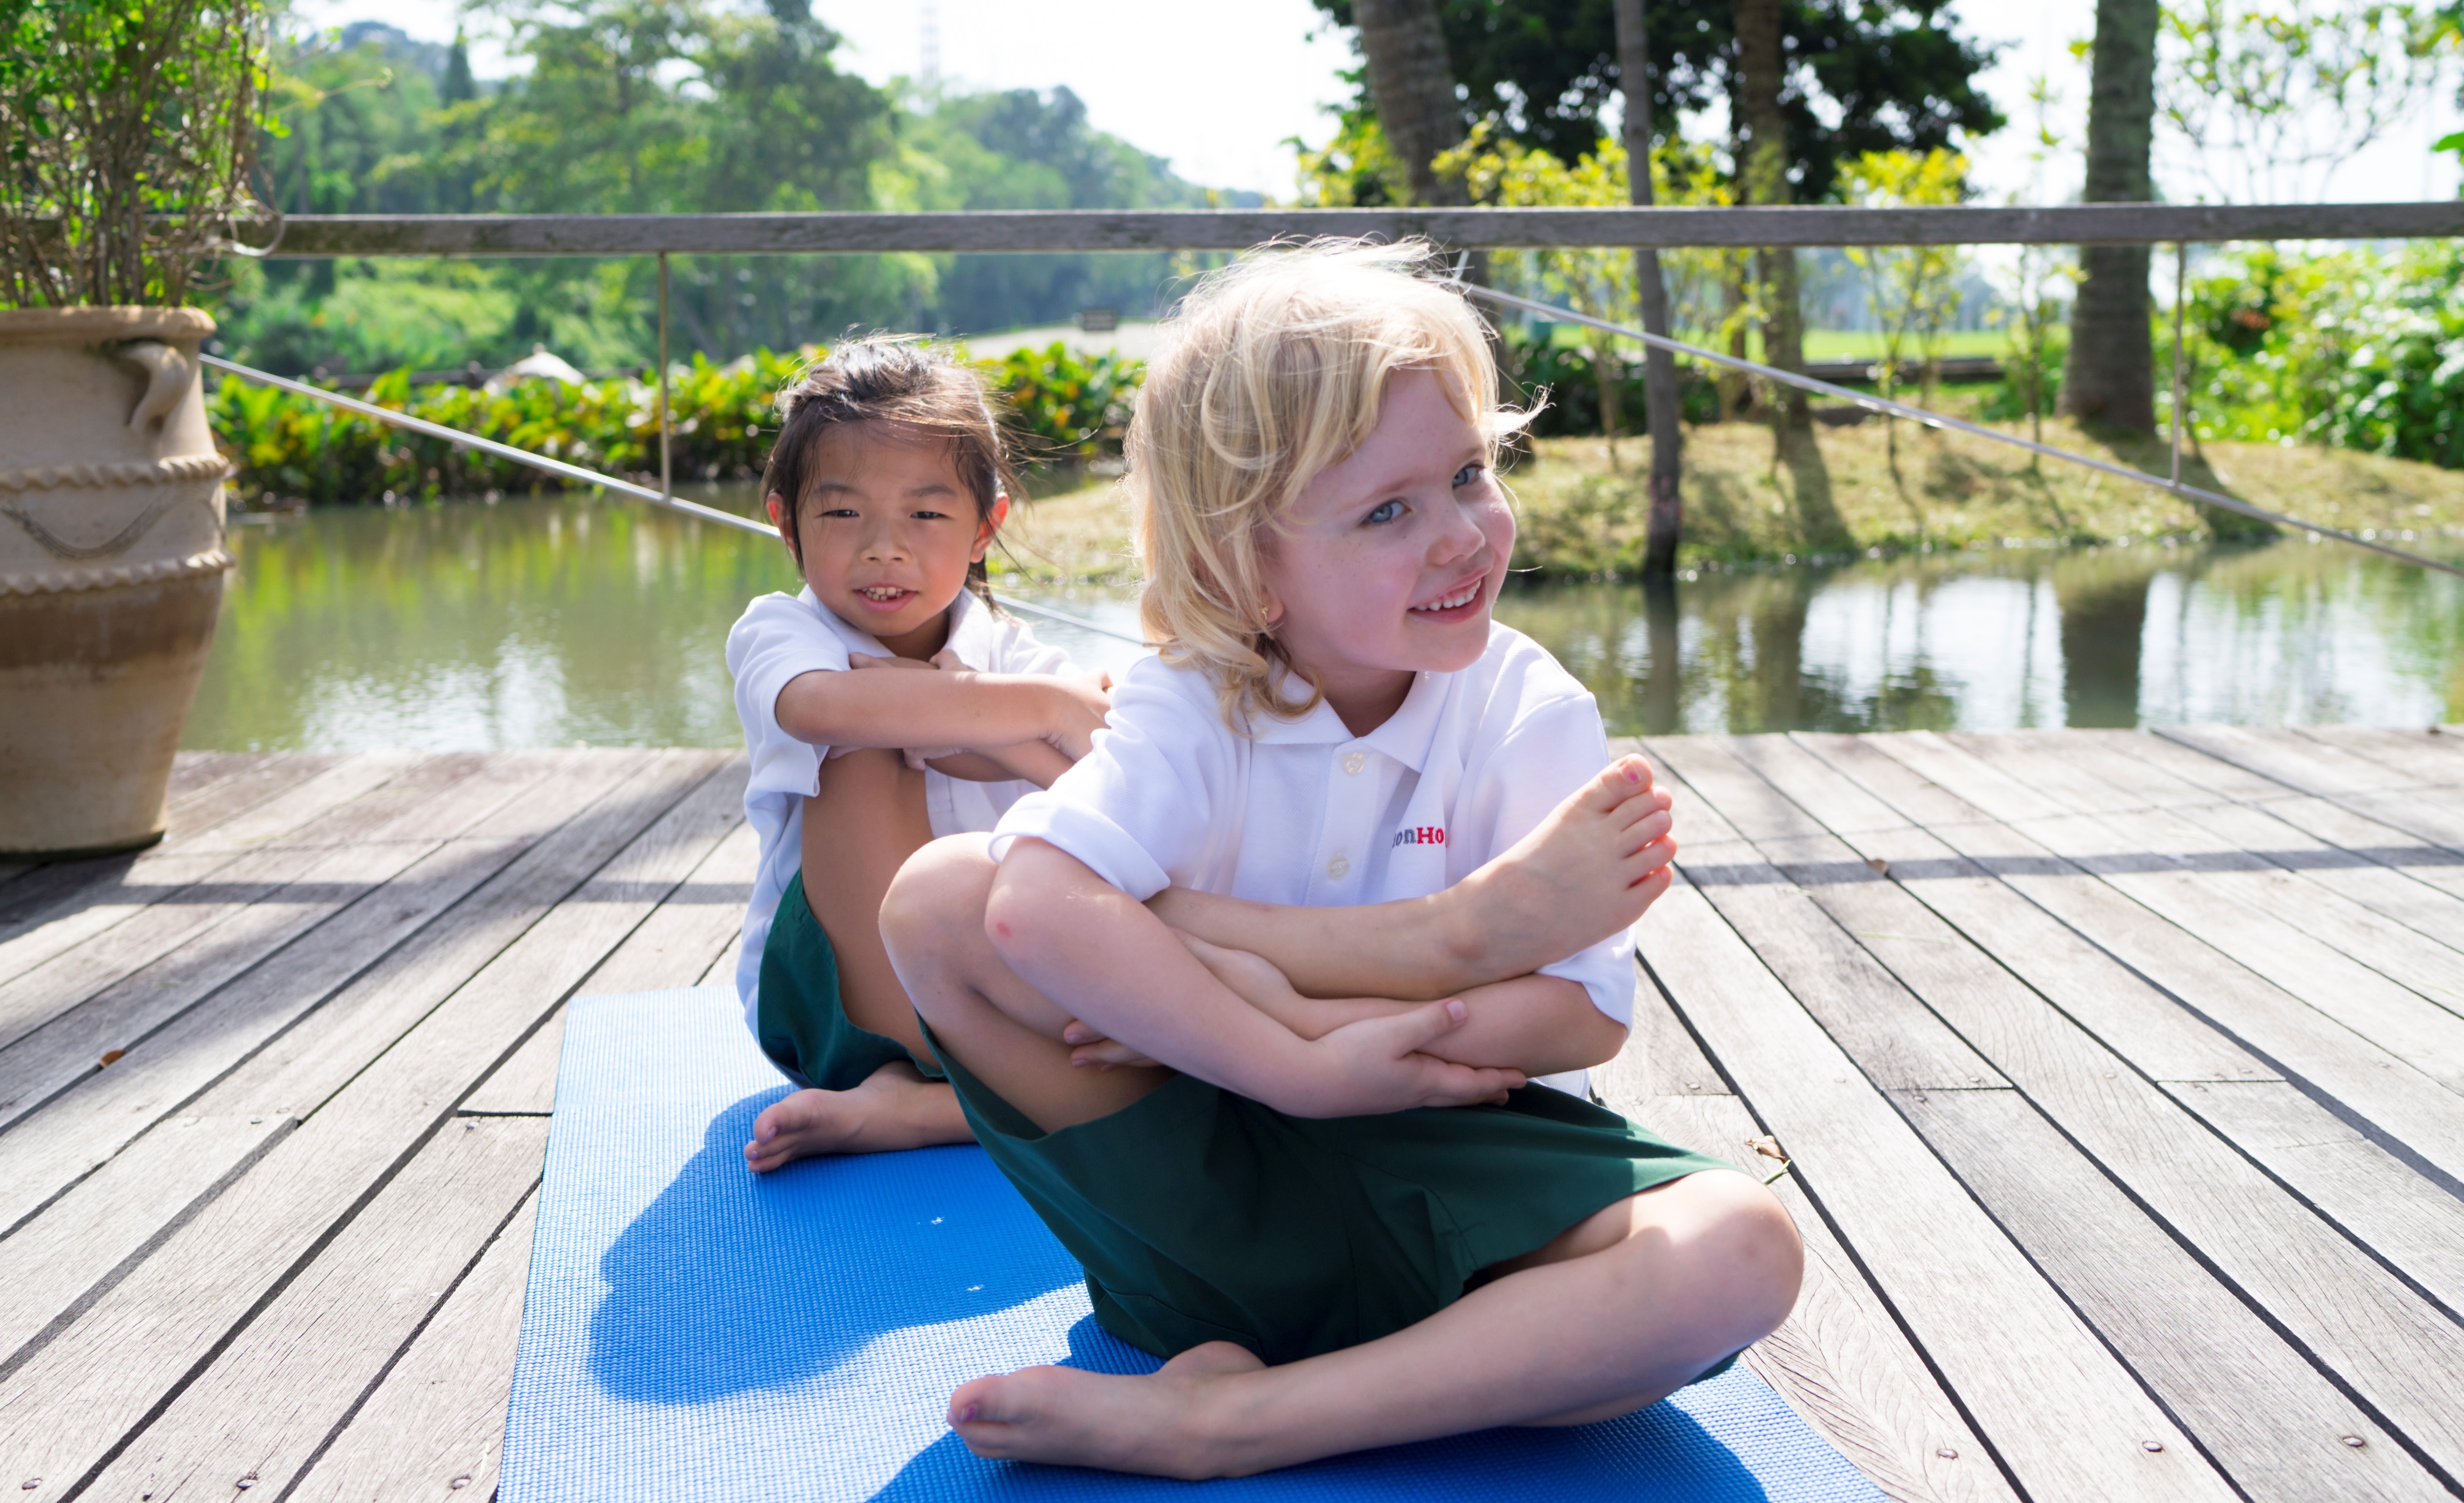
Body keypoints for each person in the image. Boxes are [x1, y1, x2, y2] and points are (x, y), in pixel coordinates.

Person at [878, 240, 1803, 1479]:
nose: (1463, 534)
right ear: (1249, 569)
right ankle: (1451, 1371)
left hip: (1453, 1177)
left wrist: (1227, 964)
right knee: (940, 896)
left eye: (1470, 473)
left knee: (1741, 1245)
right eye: (1388, 509)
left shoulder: (1526, 711)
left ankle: (1238, 1419)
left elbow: (1577, 1020)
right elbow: (1030, 910)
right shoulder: (1190, 701)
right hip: (1203, 1197)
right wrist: (1301, 1058)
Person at [726, 336, 1110, 1172]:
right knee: (863, 736)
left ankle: (929, 1111)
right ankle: (942, 1081)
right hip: (839, 1012)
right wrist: (1033, 713)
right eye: (842, 513)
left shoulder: (1008, 651)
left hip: (992, 995)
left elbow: (1099, 779)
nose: (883, 548)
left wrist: (998, 738)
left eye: (925, 515)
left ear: (984, 528)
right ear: (785, 523)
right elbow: (824, 707)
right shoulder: (782, 632)